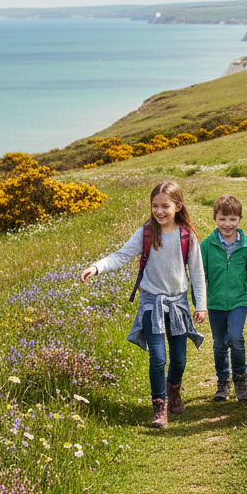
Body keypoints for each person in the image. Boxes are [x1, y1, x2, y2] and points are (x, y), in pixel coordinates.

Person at [81, 180, 207, 428]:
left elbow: (197, 273)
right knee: (158, 358)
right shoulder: (147, 232)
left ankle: (173, 391)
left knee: (179, 360)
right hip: (152, 304)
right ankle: (159, 407)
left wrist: (200, 304)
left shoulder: (186, 235)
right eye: (154, 206)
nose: (159, 211)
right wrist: (96, 267)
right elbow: (121, 255)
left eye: (165, 206)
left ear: (178, 206)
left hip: (179, 305)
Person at [200, 194, 247, 402]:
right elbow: (200, 277)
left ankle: (240, 379)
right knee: (219, 343)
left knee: (235, 337)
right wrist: (200, 304)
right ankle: (223, 382)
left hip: (239, 300)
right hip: (215, 302)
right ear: (215, 219)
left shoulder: (246, 244)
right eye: (223, 219)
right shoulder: (206, 246)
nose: (228, 224)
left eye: (233, 219)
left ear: (240, 219)